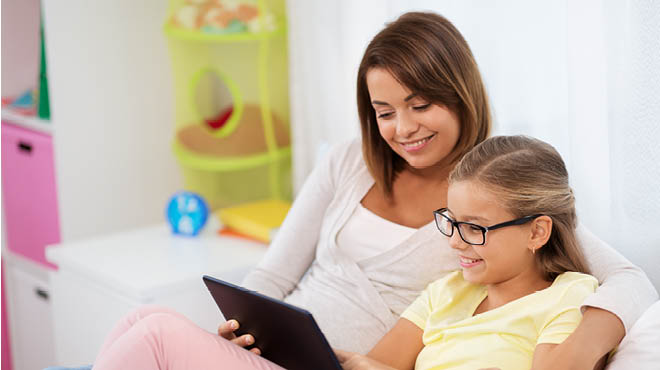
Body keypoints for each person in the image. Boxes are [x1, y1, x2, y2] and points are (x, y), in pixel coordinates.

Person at [92, 11, 657, 370]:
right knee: (140, 323)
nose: (403, 129)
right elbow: (273, 276)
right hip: (280, 353)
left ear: (460, 94)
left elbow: (631, 280)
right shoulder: (348, 162)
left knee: (159, 331)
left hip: (338, 366)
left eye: (421, 105)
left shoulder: (494, 198)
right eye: (385, 112)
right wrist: (241, 328)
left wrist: (580, 349)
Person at [336, 135, 598, 370]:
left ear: (536, 233)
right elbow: (376, 364)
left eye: (474, 228)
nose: (455, 242)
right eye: (451, 222)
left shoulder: (568, 296)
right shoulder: (446, 292)